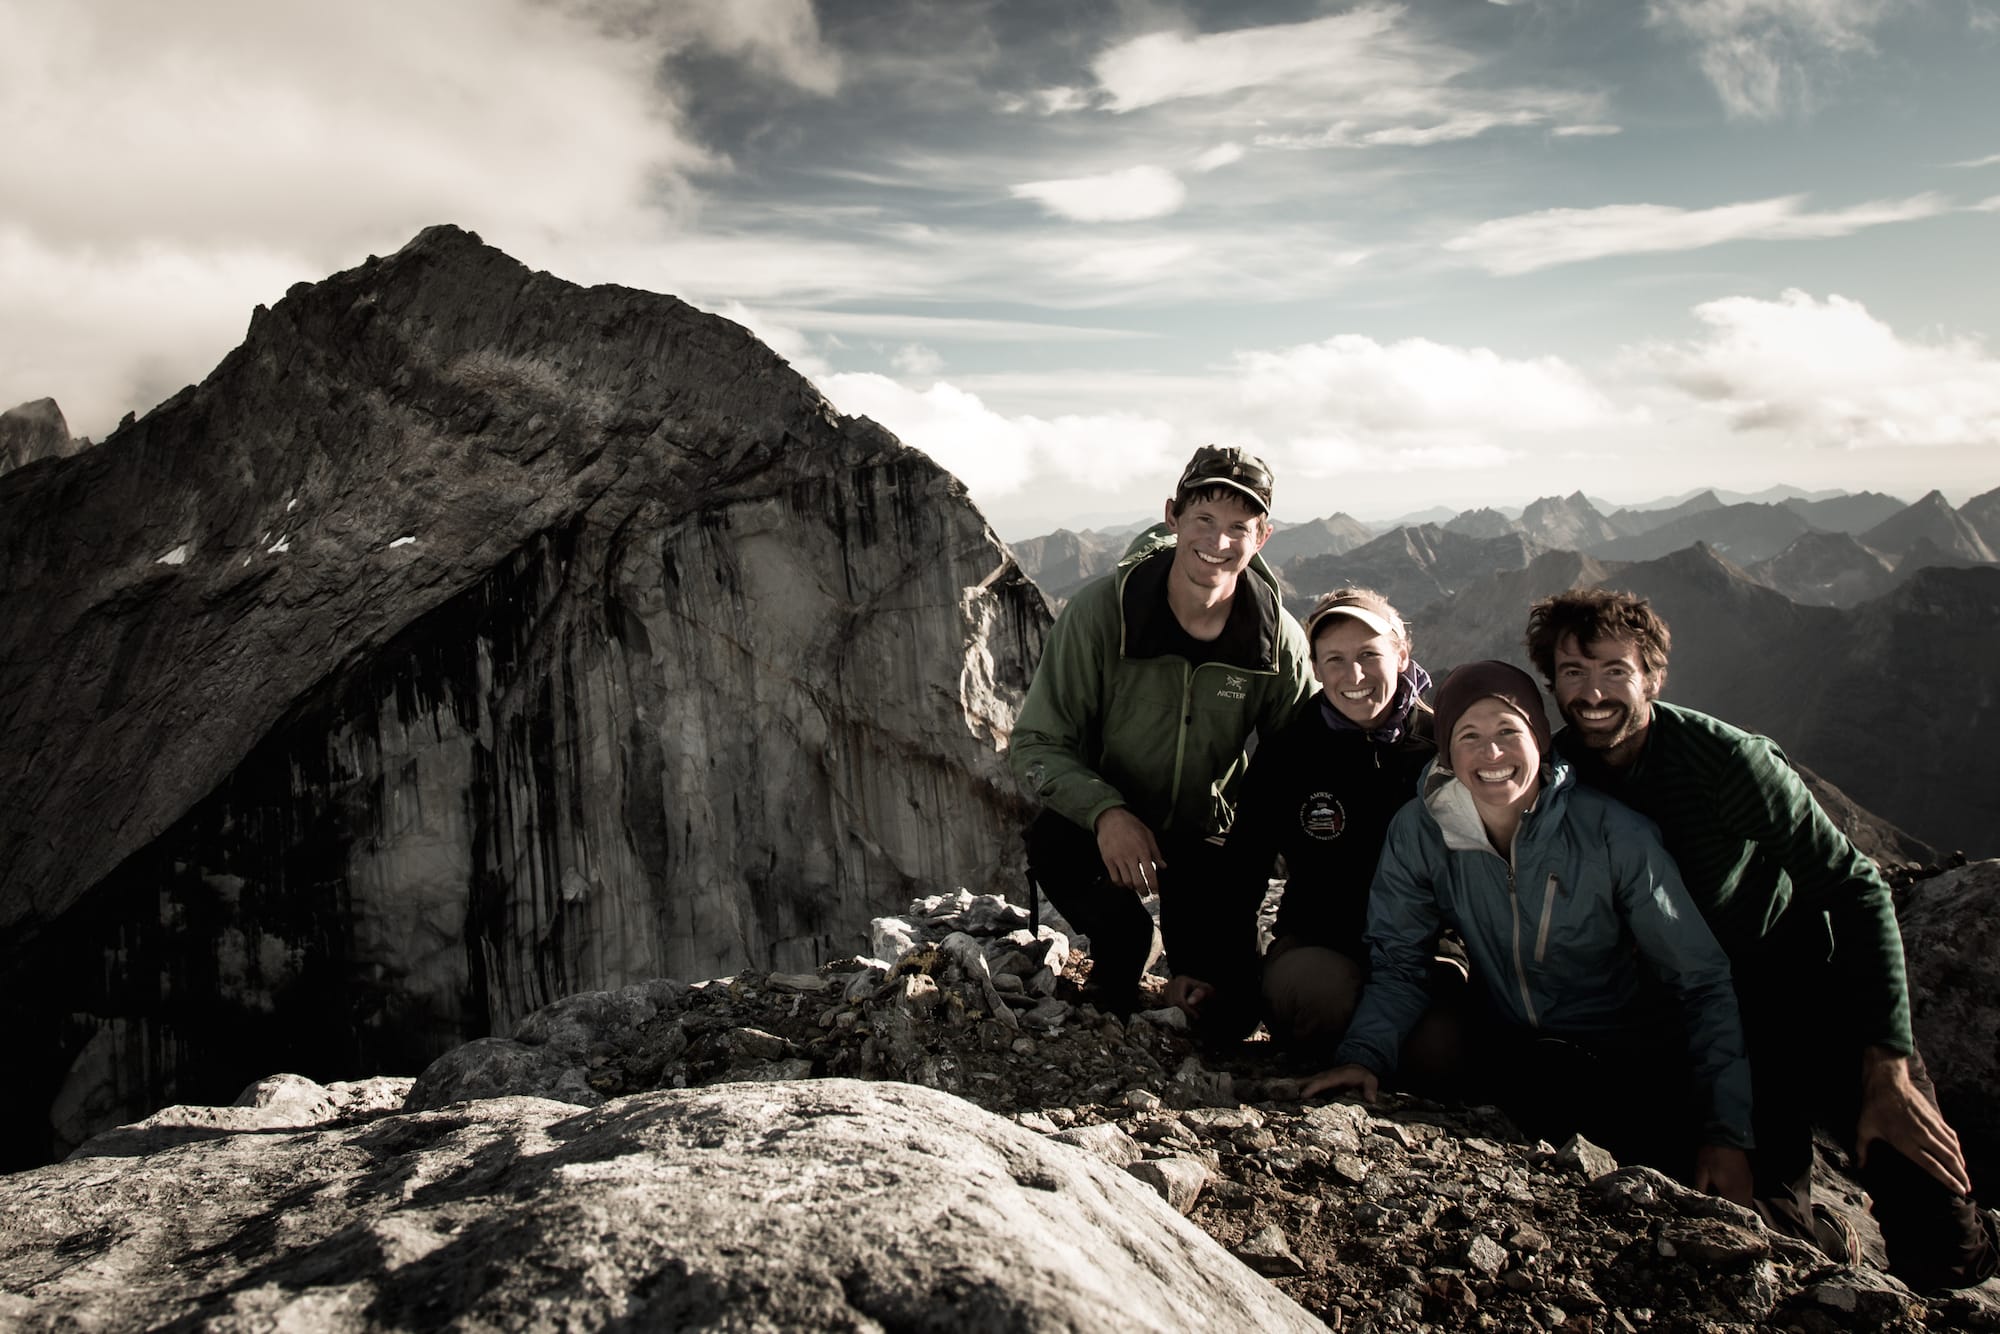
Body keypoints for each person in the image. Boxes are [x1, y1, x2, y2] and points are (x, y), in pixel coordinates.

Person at [1526, 589, 1998, 1291]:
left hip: (1808, 1000)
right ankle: (1825, 1231)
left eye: (1614, 671)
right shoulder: (1559, 777)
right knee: (1750, 1230)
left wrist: (1887, 1064)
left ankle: (1979, 1239)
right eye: (1571, 673)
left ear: (1652, 676)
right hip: (1705, 1025)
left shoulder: (1728, 763)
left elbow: (1857, 888)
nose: (1592, 693)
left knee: (1942, 1245)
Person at [1306, 661, 1755, 1199]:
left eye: (1508, 732)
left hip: (1625, 1059)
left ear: (1540, 741)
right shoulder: (1423, 831)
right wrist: (1363, 1056)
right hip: (1512, 1055)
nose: (1491, 754)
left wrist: (1726, 1133)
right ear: (1447, 752)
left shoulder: (1613, 834)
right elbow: (1400, 958)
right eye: (1468, 736)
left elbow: (1700, 980)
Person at [1009, 445, 1315, 1028]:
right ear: (1173, 516)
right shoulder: (1104, 613)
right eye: (1204, 519)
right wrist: (1106, 813)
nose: (1218, 541)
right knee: (1066, 862)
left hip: (1206, 833)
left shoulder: (1276, 640)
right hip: (1101, 826)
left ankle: (1184, 973)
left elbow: (1299, 758)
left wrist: (1258, 861)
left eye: (1238, 527)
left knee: (1227, 1018)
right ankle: (1127, 944)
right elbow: (1036, 745)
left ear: (1264, 537)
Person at [1195, 588, 1440, 1056]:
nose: (1355, 675)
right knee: (1319, 1001)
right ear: (1314, 666)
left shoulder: (1444, 745)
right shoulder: (1290, 751)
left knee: (1441, 1052)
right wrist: (1229, 987)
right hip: (1320, 940)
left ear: (1402, 655)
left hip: (1425, 951)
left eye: (1370, 655)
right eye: (1335, 659)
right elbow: (1243, 871)